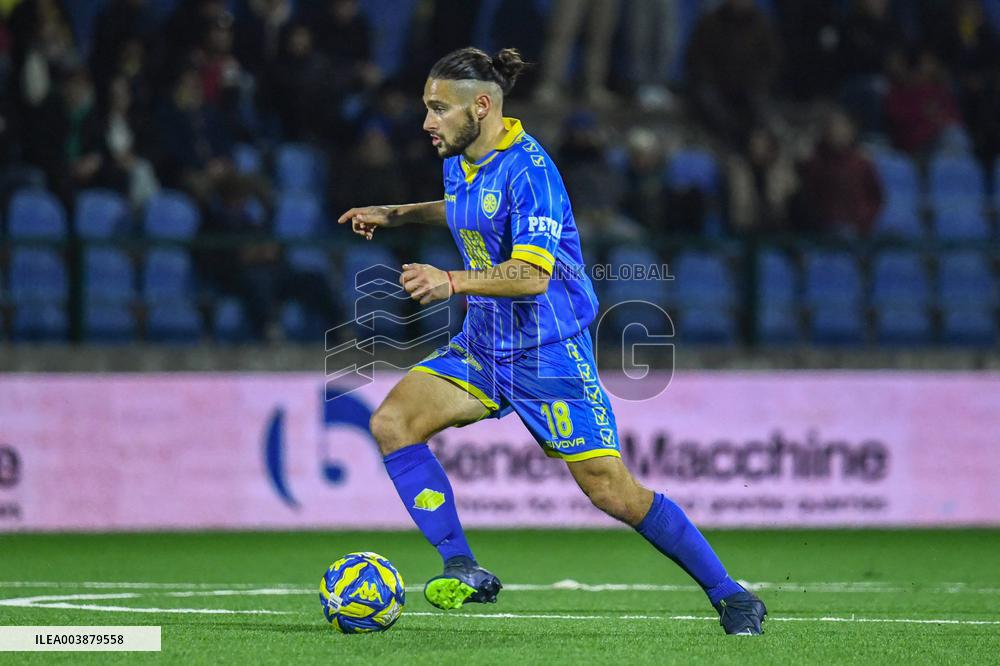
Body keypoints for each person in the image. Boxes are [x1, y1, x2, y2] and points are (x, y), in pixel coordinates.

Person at [337, 46, 767, 635]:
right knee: (392, 423)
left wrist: (451, 279)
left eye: (437, 110)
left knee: (611, 492)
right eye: (426, 108)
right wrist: (397, 214)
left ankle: (731, 594)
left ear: (480, 107)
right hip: (485, 344)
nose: (426, 122)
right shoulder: (460, 157)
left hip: (548, 350)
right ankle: (461, 565)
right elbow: (469, 208)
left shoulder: (532, 171)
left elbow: (533, 276)